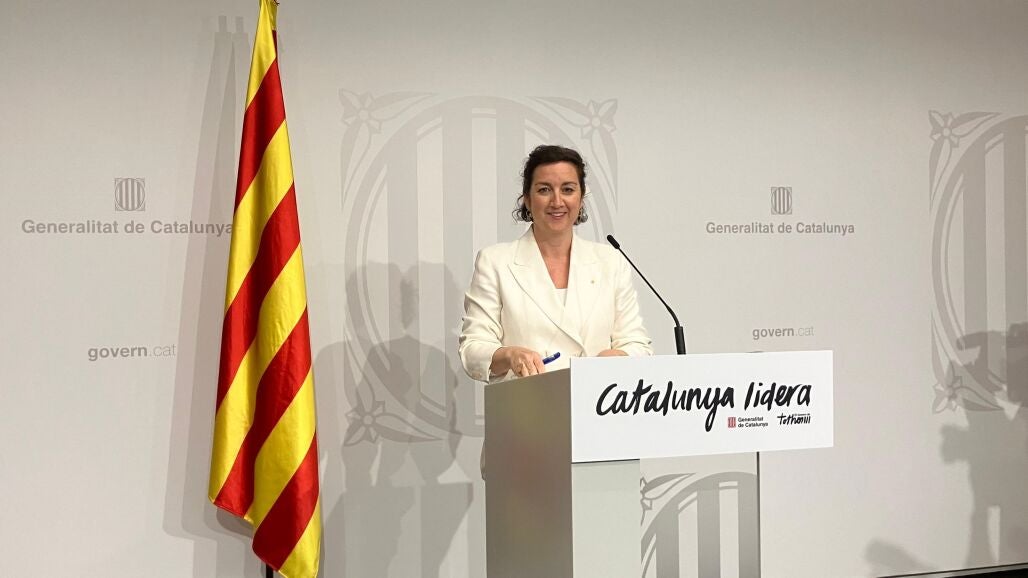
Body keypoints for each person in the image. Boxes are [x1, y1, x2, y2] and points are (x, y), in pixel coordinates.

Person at [458, 144, 652, 383]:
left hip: (596, 398)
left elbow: (637, 344)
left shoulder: (610, 262)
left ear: (581, 198)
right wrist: (510, 355)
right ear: (527, 199)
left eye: (568, 189)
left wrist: (619, 356)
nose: (557, 201)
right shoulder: (495, 262)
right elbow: (473, 349)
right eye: (544, 190)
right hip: (529, 400)